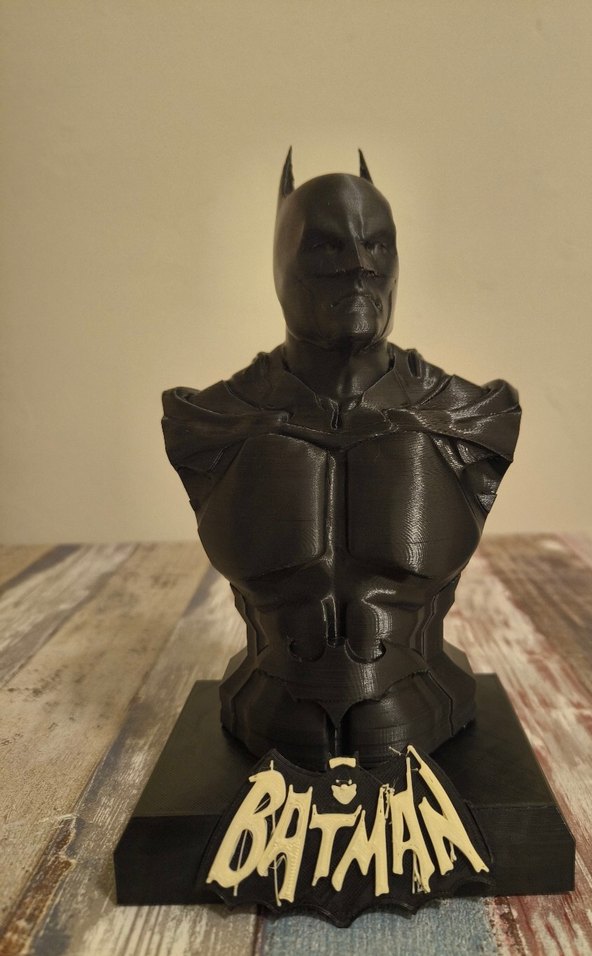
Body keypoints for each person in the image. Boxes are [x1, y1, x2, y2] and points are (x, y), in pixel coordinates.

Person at [162, 150, 521, 767]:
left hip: (427, 714)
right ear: (278, 263)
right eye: (325, 246)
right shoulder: (212, 422)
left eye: (377, 245)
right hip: (263, 716)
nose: (358, 264)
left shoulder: (468, 417)